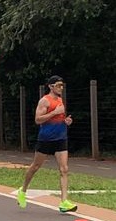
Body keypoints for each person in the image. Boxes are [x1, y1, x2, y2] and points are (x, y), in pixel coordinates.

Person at [18, 76, 77, 213]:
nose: (61, 88)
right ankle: (23, 190)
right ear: (51, 86)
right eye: (58, 85)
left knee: (64, 169)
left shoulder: (60, 100)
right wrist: (54, 112)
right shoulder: (44, 101)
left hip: (61, 138)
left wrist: (66, 121)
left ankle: (64, 202)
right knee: (35, 166)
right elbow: (38, 120)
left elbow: (59, 118)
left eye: (62, 85)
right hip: (45, 139)